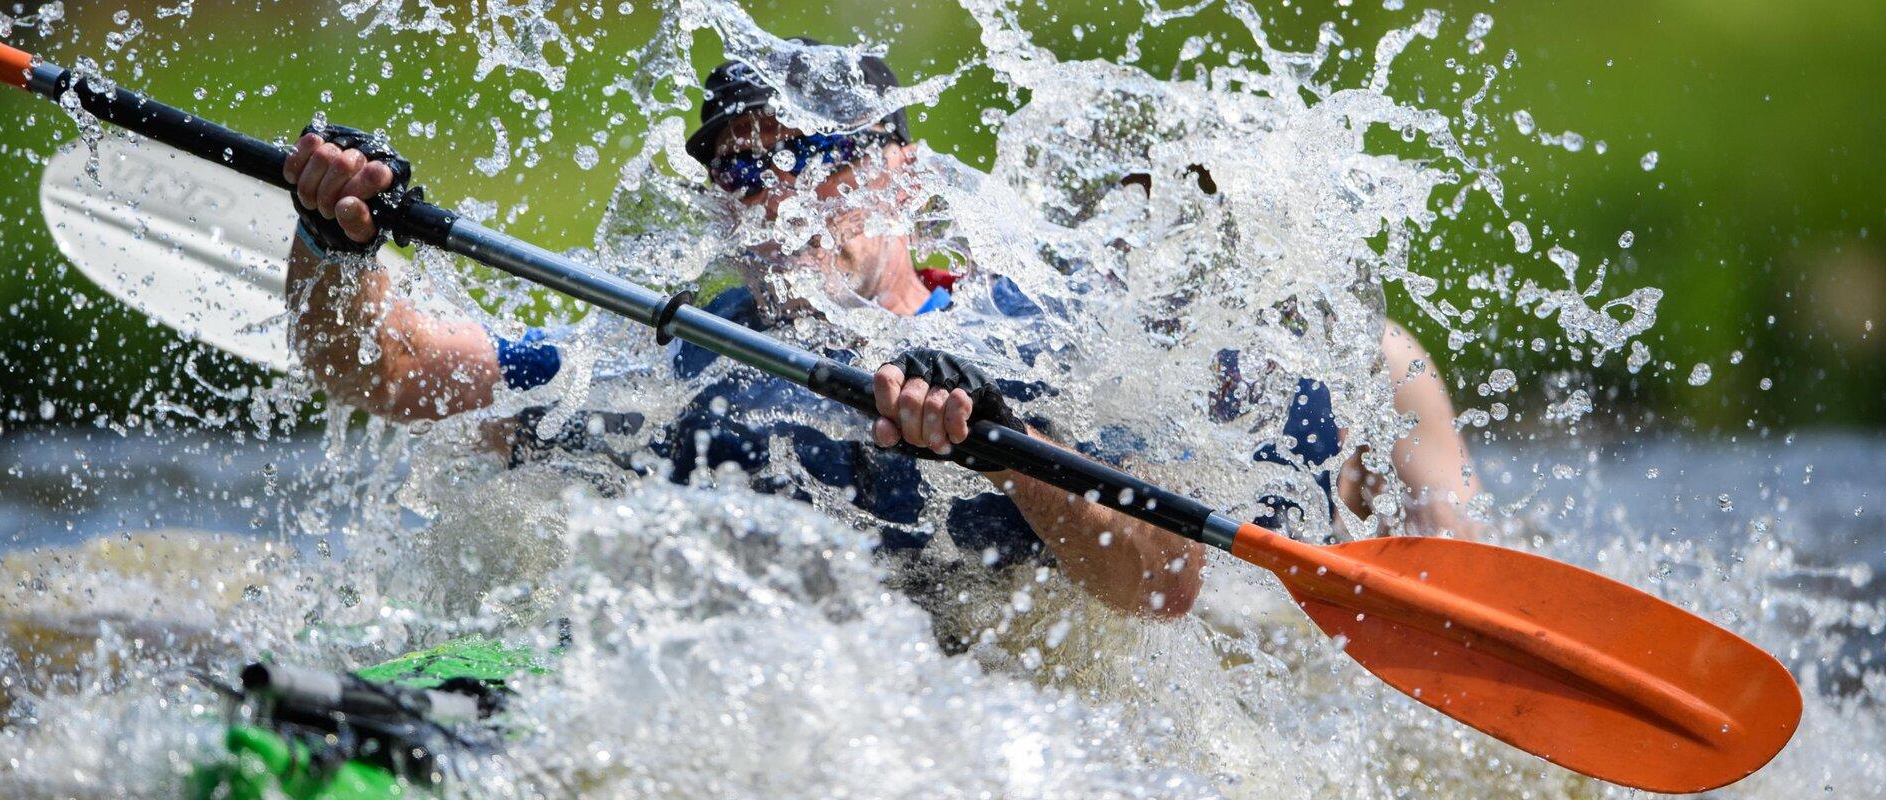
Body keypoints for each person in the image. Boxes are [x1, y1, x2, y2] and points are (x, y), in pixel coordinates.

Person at [279, 40, 1475, 633]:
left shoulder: (1044, 331)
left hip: (1204, 512)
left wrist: (1009, 446)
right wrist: (340, 246)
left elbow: (1160, 585)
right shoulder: (666, 359)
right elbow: (387, 369)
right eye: (742, 162)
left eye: (817, 152)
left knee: (1374, 363)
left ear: (902, 174)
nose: (777, 186)